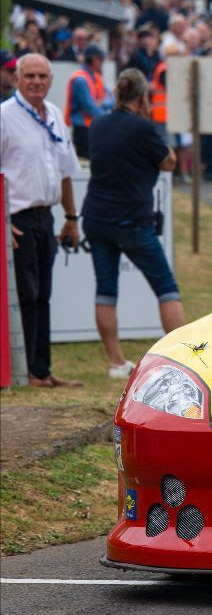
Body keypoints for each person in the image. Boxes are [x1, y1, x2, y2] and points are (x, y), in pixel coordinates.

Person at [83, 69, 184, 379]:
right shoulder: (143, 128)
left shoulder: (98, 124)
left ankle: (115, 363)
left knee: (106, 291)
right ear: (143, 98)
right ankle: (181, 361)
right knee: (167, 288)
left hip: (96, 218)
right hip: (132, 220)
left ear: (116, 93)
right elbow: (169, 162)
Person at [0, 54, 84, 387]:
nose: (37, 82)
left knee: (45, 295)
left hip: (45, 217)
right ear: (17, 79)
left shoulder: (53, 116)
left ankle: (42, 369)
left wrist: (71, 217)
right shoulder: (5, 116)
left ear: (51, 80)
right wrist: (3, 223)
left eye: (42, 76)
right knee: (26, 295)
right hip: (16, 218)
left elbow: (65, 172)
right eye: (30, 76)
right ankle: (27, 372)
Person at [65, 44, 115, 159]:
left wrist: (101, 103)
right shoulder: (80, 80)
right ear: (94, 59)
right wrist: (109, 118)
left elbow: (112, 100)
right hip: (82, 129)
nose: (102, 62)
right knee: (86, 164)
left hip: (94, 126)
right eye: (101, 59)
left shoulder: (96, 77)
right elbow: (90, 107)